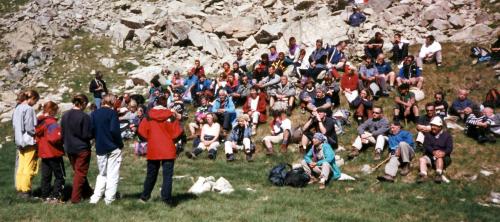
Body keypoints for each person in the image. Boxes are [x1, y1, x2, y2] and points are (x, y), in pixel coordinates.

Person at [138, 95, 182, 205]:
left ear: (156, 103)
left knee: (151, 174)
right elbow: (178, 133)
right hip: (168, 149)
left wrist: (150, 139)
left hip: (153, 149)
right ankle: (167, 199)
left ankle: (144, 197)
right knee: (167, 176)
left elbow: (141, 131)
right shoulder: (171, 116)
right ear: (166, 104)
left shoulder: (148, 115)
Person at [89, 94, 124, 205]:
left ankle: (95, 198)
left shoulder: (94, 114)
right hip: (113, 147)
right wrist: (120, 143)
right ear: (112, 102)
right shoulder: (112, 113)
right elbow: (114, 130)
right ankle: (109, 199)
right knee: (112, 174)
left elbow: (91, 131)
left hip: (100, 147)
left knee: (102, 174)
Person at [61, 94, 94, 203]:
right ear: (83, 103)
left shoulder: (65, 115)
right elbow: (86, 135)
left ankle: (87, 192)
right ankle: (75, 198)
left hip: (69, 148)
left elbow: (62, 132)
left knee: (78, 171)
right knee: (80, 173)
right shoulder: (84, 117)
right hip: (81, 148)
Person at [35, 101, 65, 202]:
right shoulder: (52, 122)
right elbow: (54, 138)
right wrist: (61, 136)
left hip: (43, 153)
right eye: (56, 111)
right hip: (54, 152)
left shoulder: (40, 121)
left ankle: (45, 195)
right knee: (60, 176)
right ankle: (56, 196)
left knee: (46, 175)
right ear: (52, 111)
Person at [12, 90, 40, 198]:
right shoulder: (29, 109)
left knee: (21, 166)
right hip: (28, 141)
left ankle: (19, 188)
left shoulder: (17, 108)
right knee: (29, 165)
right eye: (35, 101)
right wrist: (36, 132)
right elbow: (30, 127)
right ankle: (26, 190)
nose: (35, 103)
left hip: (19, 140)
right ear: (32, 98)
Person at [417, 117, 453, 184]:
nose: (433, 127)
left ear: (440, 127)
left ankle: (438, 175)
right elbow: (426, 145)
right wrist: (433, 152)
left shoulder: (447, 136)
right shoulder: (428, 135)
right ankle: (423, 176)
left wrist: (443, 153)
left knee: (439, 158)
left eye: (435, 126)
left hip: (443, 157)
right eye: (432, 125)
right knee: (422, 159)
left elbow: (449, 148)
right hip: (430, 155)